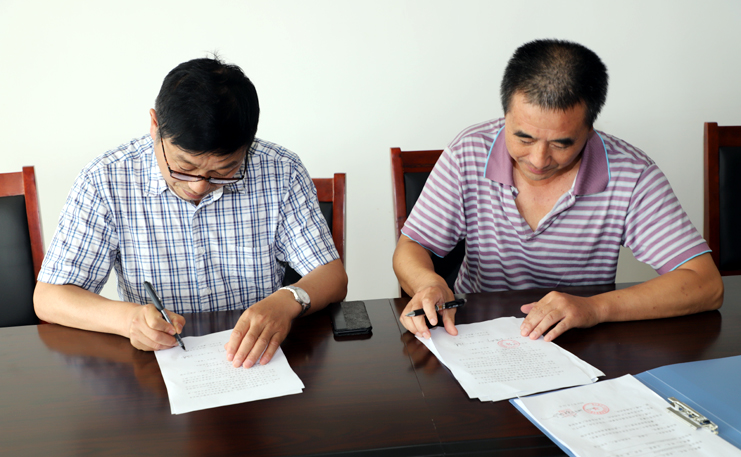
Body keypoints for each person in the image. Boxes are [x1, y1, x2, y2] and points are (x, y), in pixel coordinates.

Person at [393, 39, 723, 342]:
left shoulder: (631, 174)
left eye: (561, 144)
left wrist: (595, 308)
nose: (538, 160)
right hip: (473, 334)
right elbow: (413, 245)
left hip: (580, 341)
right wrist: (428, 283)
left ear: (590, 130)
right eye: (523, 138)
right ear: (506, 116)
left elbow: (706, 284)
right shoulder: (468, 153)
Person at [34, 57, 347, 368]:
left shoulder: (281, 171)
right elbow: (49, 298)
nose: (199, 186)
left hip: (255, 361)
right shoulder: (105, 180)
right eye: (183, 168)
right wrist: (129, 320)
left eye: (224, 172)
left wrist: (289, 299)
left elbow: (332, 276)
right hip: (156, 367)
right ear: (155, 126)